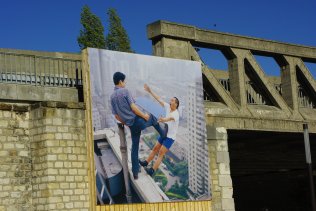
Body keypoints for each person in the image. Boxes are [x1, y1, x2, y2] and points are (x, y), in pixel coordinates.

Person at [110, 72, 168, 180]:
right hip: (137, 120)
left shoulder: (112, 97)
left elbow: (117, 116)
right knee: (153, 117)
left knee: (135, 147)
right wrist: (144, 116)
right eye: (124, 81)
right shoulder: (125, 91)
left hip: (131, 125)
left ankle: (135, 173)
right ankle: (163, 135)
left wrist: (125, 121)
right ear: (120, 81)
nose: (125, 83)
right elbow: (133, 108)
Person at [139, 84, 180, 176]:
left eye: (172, 100)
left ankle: (152, 170)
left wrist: (162, 120)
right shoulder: (168, 107)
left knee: (161, 152)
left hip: (170, 137)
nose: (170, 101)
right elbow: (159, 99)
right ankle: (146, 162)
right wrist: (150, 91)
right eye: (171, 100)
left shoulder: (176, 114)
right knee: (155, 148)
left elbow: (169, 119)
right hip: (164, 133)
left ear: (176, 104)